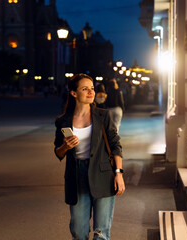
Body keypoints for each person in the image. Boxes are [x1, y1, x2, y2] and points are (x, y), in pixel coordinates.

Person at [54, 73, 125, 240]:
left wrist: (119, 173)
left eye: (92, 88)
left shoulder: (103, 115)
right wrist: (66, 146)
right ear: (73, 93)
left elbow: (116, 145)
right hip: (76, 176)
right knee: (79, 232)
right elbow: (58, 152)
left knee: (101, 233)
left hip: (103, 174)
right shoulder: (63, 121)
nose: (90, 92)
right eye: (84, 89)